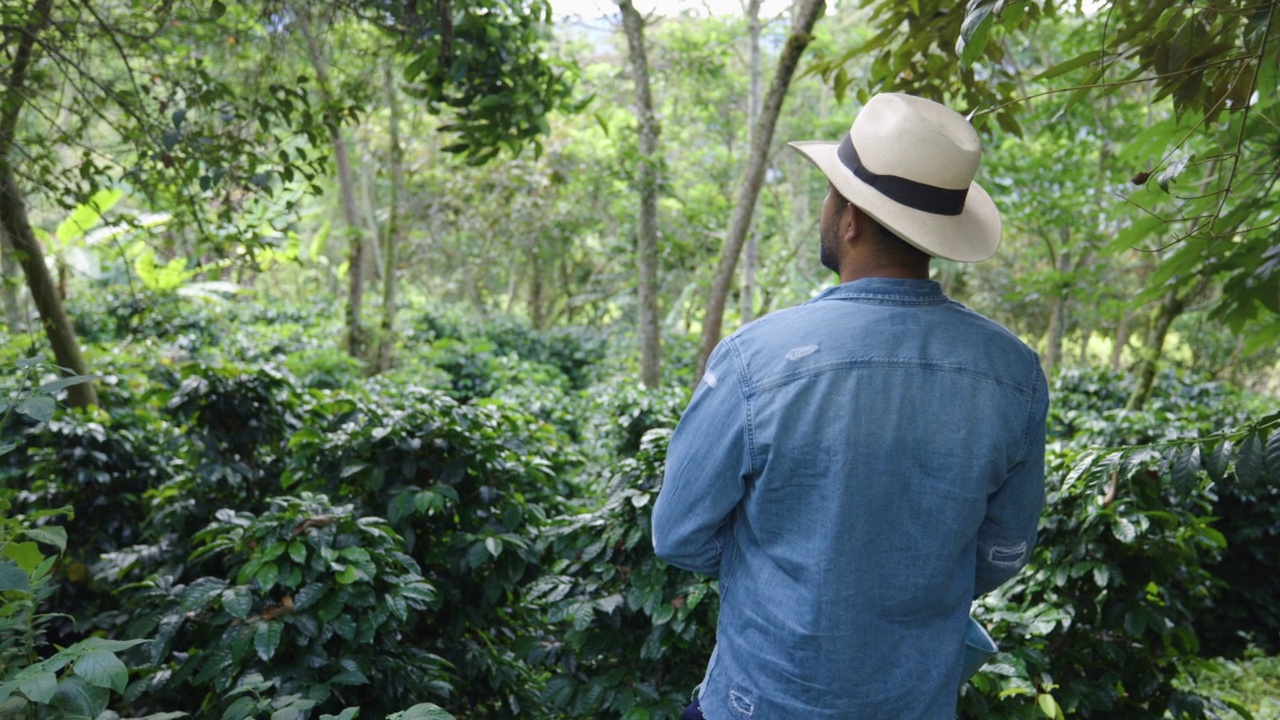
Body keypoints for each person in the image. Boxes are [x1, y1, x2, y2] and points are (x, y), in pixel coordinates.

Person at [651, 92, 1049, 720]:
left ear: (851, 218)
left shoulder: (756, 359)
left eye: (831, 191)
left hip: (761, 701)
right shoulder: (1014, 372)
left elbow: (678, 534)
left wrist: (790, 570)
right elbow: (1003, 551)